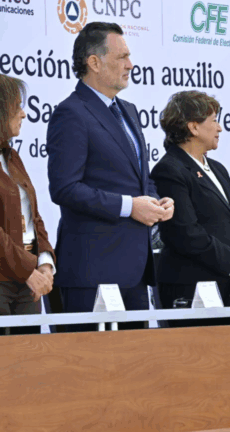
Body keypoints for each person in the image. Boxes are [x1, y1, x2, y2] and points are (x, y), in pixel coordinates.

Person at [47, 22, 174, 331]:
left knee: (136, 370)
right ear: (94, 62)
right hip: (92, 273)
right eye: (122, 57)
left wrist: (156, 200)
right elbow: (65, 188)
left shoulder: (128, 110)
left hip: (135, 270)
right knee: (89, 373)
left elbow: (136, 178)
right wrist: (130, 206)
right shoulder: (72, 113)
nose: (130, 64)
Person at [150, 91, 230, 327]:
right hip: (193, 290)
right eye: (213, 121)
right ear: (193, 128)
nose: (220, 128)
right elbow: (186, 233)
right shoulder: (169, 170)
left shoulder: (219, 169)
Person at [0, 75, 55, 335]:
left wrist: (44, 262)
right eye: (17, 106)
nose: (23, 114)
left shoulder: (14, 158)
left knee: (29, 366)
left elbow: (35, 216)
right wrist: (28, 270)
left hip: (27, 282)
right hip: (6, 280)